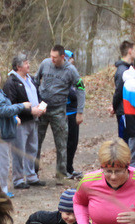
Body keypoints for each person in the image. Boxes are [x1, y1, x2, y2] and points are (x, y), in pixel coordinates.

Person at [0, 68, 39, 197]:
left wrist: (13, 117)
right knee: (2, 164)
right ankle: (1, 191)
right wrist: (22, 106)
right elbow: (3, 110)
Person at [35, 45, 85, 185]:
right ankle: (33, 172)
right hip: (42, 108)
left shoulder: (71, 70)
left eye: (55, 58)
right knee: (36, 141)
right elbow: (35, 80)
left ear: (63, 57)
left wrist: (80, 111)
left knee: (61, 143)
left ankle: (61, 174)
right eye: (51, 56)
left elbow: (81, 88)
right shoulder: (45, 64)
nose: (52, 60)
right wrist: (35, 101)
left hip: (58, 110)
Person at [4, 53, 46, 190]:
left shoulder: (31, 79)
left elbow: (37, 95)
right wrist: (30, 111)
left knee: (32, 148)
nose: (29, 65)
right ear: (18, 66)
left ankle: (31, 176)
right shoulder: (11, 82)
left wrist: (40, 106)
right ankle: (18, 179)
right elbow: (12, 104)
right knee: (19, 150)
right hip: (21, 122)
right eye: (26, 63)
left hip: (34, 120)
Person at [64, 50, 83, 180]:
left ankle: (69, 168)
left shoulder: (73, 75)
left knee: (73, 142)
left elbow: (81, 88)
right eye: (70, 58)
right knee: (67, 143)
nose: (72, 61)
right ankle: (64, 169)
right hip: (65, 114)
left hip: (74, 113)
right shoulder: (62, 75)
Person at [112, 40, 135, 141]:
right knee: (124, 142)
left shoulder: (128, 68)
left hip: (128, 111)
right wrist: (114, 106)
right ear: (130, 51)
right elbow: (118, 92)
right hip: (123, 111)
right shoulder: (123, 71)